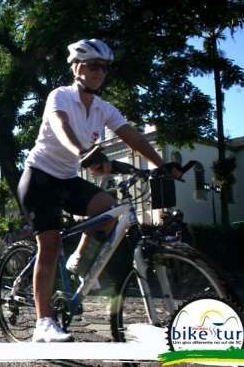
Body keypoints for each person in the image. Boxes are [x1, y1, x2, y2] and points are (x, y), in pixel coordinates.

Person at [17, 39, 181, 342]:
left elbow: (133, 137)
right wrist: (83, 152)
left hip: (66, 179)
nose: (99, 72)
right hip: (39, 178)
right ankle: (43, 322)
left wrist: (162, 165)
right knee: (49, 245)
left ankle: (79, 259)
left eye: (105, 67)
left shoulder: (103, 108)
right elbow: (60, 125)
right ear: (77, 66)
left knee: (110, 211)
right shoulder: (61, 96)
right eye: (93, 65)